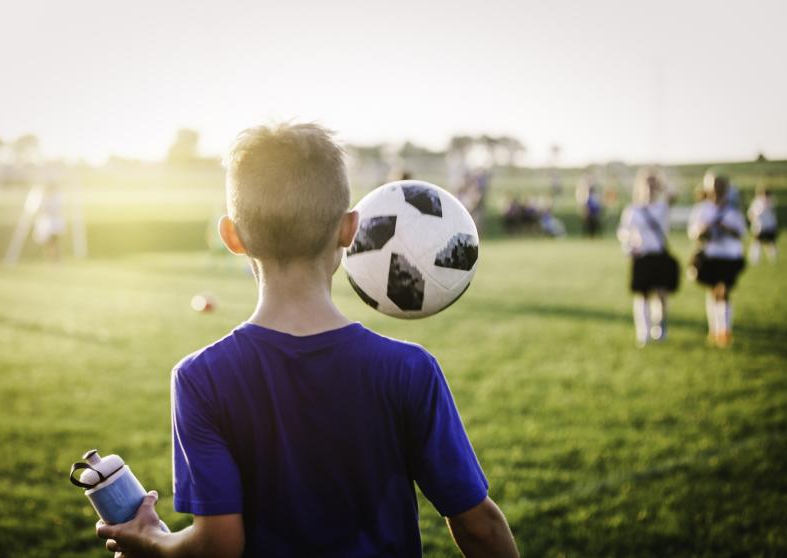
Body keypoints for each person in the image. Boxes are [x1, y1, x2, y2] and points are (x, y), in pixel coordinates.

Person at [96, 123, 520, 558]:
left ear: (231, 237)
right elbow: (480, 527)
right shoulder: (409, 368)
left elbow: (218, 545)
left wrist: (153, 541)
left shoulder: (199, 378)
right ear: (350, 229)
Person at [617, 168, 679, 347]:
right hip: (642, 256)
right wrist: (629, 248)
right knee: (642, 295)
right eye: (648, 184)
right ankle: (643, 332)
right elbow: (623, 232)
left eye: (653, 184)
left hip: (659, 254)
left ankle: (660, 328)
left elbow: (674, 195)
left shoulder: (662, 207)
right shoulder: (633, 209)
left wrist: (663, 184)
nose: (650, 188)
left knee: (661, 294)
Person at [687, 172, 746, 347]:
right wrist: (703, 231)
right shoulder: (702, 209)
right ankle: (714, 328)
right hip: (710, 255)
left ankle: (724, 330)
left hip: (729, 255)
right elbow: (693, 233)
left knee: (724, 290)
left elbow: (741, 232)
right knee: (713, 291)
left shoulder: (733, 209)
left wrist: (726, 228)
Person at [747, 186, 778, 264]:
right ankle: (755, 259)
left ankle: (773, 259)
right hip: (760, 226)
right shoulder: (757, 202)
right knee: (758, 242)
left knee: (770, 242)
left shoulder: (770, 202)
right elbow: (751, 214)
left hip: (768, 226)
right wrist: (754, 221)